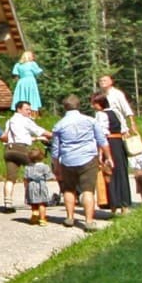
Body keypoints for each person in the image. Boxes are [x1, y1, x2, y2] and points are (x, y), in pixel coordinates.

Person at [50, 95, 109, 231]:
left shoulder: (59, 125)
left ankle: (70, 217)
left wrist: (56, 165)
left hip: (68, 159)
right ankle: (89, 221)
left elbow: (55, 149)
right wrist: (108, 157)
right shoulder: (91, 121)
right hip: (88, 158)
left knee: (69, 189)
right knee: (88, 190)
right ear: (79, 105)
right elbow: (102, 140)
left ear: (65, 107)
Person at [0, 100, 49, 211]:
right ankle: (32, 199)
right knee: (33, 172)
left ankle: (8, 203)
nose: (29, 112)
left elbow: (13, 136)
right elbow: (39, 130)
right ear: (19, 109)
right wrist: (53, 135)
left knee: (10, 178)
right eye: (27, 109)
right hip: (21, 148)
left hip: (9, 149)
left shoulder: (9, 121)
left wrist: (36, 139)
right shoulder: (25, 120)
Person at [92, 92, 134, 214]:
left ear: (99, 104)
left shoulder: (101, 114)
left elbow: (102, 134)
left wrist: (100, 152)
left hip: (109, 144)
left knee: (109, 173)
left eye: (94, 103)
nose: (93, 106)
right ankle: (124, 204)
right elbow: (124, 129)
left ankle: (114, 205)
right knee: (121, 172)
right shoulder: (116, 112)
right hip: (119, 143)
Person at [22, 144, 58, 224]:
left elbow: (25, 178)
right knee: (42, 203)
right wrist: (54, 177)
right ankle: (42, 219)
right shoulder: (44, 166)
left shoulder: (28, 167)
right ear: (42, 157)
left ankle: (35, 214)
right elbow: (49, 176)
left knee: (33, 202)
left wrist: (26, 186)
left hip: (31, 185)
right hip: (41, 185)